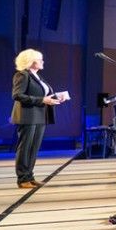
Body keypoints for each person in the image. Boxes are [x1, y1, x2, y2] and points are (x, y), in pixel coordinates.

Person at [11, 48, 68, 189]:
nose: (43, 61)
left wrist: (56, 98)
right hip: (27, 116)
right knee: (25, 148)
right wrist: (42, 100)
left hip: (40, 116)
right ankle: (22, 178)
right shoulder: (22, 75)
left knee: (34, 148)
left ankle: (29, 176)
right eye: (39, 59)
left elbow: (44, 96)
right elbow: (17, 95)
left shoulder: (38, 77)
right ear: (30, 61)